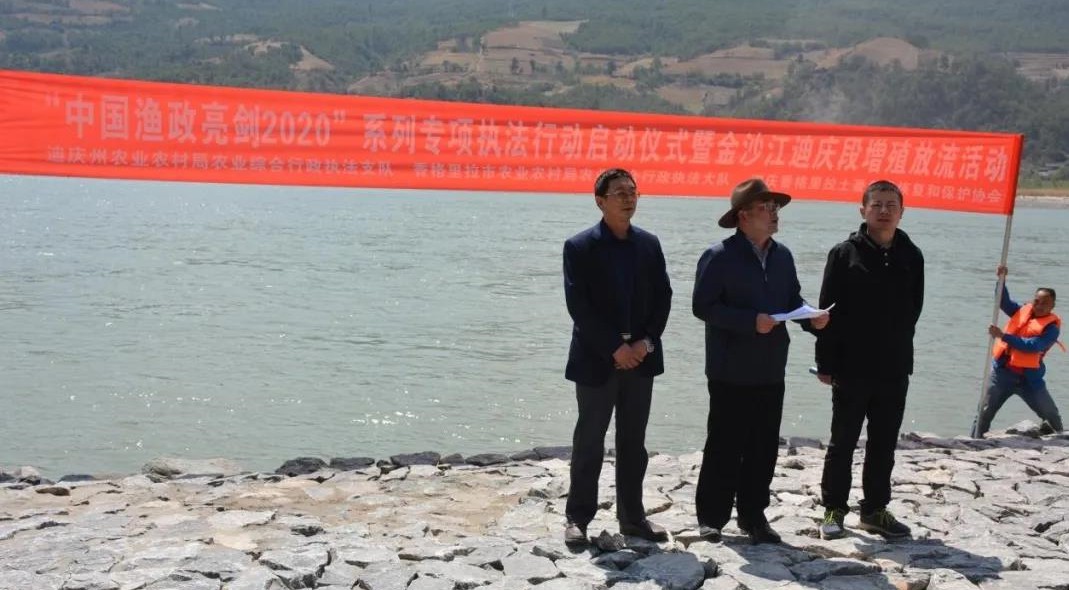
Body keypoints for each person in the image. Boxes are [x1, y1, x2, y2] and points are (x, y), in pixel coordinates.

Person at [692, 178, 827, 544]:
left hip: (770, 367)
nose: (774, 214)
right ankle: (711, 518)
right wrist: (750, 321)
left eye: (775, 208)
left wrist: (811, 318)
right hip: (729, 368)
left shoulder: (782, 256)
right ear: (743, 216)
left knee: (763, 446)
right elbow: (702, 307)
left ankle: (754, 517)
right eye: (766, 208)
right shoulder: (719, 256)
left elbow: (791, 300)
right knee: (724, 443)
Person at [562, 168, 673, 546]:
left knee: (633, 442)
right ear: (600, 201)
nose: (628, 198)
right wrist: (615, 347)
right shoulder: (580, 247)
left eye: (633, 192)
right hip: (597, 359)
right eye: (620, 193)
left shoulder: (649, 244)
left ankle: (633, 517)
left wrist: (646, 343)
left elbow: (663, 298)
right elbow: (579, 307)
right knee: (589, 440)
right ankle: (578, 518)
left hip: (641, 358)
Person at [814, 180, 924, 541]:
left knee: (883, 442)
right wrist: (826, 363)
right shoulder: (844, 253)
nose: (884, 211)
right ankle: (834, 509)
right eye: (876, 204)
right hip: (851, 366)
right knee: (842, 442)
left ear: (902, 211)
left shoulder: (912, 255)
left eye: (891, 205)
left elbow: (914, 310)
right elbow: (826, 312)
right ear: (863, 210)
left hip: (894, 366)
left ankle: (875, 510)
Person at [970, 265, 1063, 438]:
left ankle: (1061, 441)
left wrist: (1003, 336)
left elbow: (1032, 346)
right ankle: (974, 440)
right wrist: (1001, 279)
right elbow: (1002, 301)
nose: (1039, 306)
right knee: (984, 412)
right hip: (1002, 374)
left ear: (1053, 305)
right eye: (1037, 301)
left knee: (1051, 415)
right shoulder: (1021, 311)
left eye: (1045, 303)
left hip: (1030, 379)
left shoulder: (1052, 328)